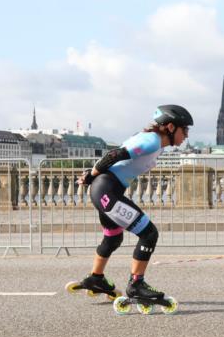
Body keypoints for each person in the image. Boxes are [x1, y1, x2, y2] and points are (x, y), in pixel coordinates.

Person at [67, 105, 193, 314]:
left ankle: (96, 278)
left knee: (113, 237)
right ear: (170, 127)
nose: (186, 135)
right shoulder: (151, 140)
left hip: (108, 189)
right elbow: (114, 154)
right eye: (185, 130)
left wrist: (93, 175)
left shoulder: (156, 142)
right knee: (149, 233)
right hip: (107, 191)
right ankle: (136, 284)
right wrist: (91, 174)